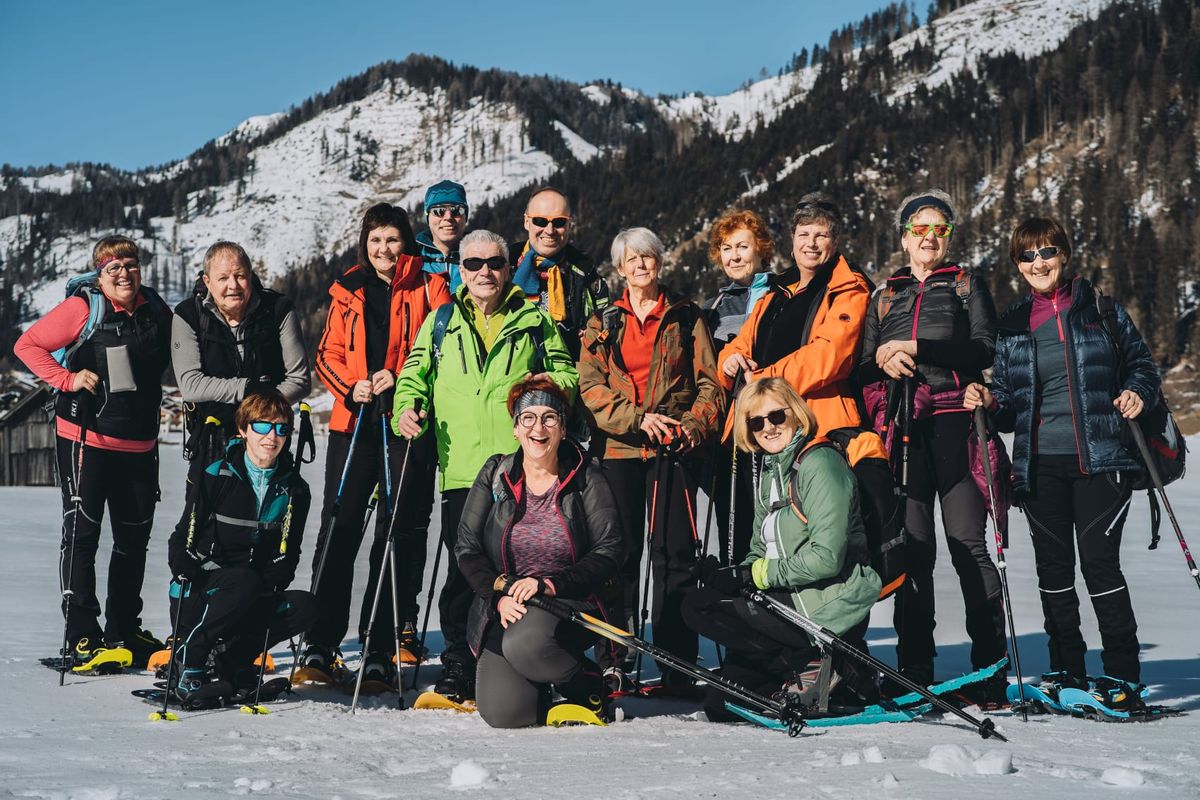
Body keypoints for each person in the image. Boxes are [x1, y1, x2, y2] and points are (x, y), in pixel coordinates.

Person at [964, 217, 1159, 707]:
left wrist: (1137, 391)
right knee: (1054, 572)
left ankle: (1122, 675)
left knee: (1100, 565)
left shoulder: (1102, 311)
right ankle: (1067, 671)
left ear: (1064, 255)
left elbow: (1141, 365)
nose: (1039, 263)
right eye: (1027, 256)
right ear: (1016, 264)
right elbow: (1009, 406)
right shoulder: (1012, 326)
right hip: (1038, 468)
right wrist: (989, 400)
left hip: (1101, 460)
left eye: (1047, 252)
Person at [394, 229, 579, 701]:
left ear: (505, 265)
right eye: (473, 264)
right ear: (461, 269)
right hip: (461, 468)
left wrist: (548, 383)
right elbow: (413, 373)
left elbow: (567, 374)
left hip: (522, 467)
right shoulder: (439, 321)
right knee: (464, 570)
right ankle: (458, 663)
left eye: (493, 263)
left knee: (517, 563)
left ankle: (509, 658)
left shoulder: (535, 321)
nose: (484, 272)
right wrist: (406, 407)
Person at [856, 189, 1007, 699]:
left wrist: (916, 347)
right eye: (919, 229)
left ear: (950, 236)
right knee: (914, 553)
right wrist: (882, 360)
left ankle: (990, 669)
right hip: (903, 432)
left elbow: (984, 347)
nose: (929, 238)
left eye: (939, 228)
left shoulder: (966, 285)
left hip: (956, 427)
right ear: (903, 237)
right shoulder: (885, 294)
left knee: (969, 547)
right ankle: (916, 669)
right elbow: (858, 365)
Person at [304, 203, 449, 683]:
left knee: (398, 531)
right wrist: (352, 385)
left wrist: (401, 374)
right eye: (375, 240)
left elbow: (441, 350)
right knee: (339, 527)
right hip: (355, 422)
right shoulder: (348, 288)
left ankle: (380, 647)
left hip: (406, 423)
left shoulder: (431, 286)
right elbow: (327, 354)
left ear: (406, 242)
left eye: (392, 239)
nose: (384, 249)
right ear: (364, 245)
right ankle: (320, 644)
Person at [14, 235, 172, 669]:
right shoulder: (85, 308)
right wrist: (66, 379)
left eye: (131, 264)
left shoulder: (156, 309)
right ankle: (82, 634)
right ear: (100, 273)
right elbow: (27, 345)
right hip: (86, 440)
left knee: (133, 541)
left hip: (140, 444)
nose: (124, 273)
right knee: (83, 537)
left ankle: (124, 629)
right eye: (113, 267)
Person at [682, 378, 882, 720]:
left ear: (797, 413)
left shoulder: (821, 464)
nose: (768, 428)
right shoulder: (771, 470)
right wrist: (732, 575)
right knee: (722, 705)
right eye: (756, 422)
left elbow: (827, 557)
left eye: (776, 416)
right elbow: (760, 550)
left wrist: (755, 575)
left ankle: (826, 663)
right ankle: (811, 673)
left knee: (697, 606)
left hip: (828, 600)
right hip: (788, 597)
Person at [577, 227, 723, 687]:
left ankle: (676, 663)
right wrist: (638, 419)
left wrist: (692, 427)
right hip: (619, 449)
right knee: (616, 556)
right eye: (632, 259)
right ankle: (613, 659)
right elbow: (591, 389)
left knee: (674, 556)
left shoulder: (685, 317)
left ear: (661, 262)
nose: (641, 266)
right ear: (620, 269)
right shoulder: (603, 320)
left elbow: (709, 383)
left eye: (649, 257)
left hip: (673, 450)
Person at [456, 377, 623, 727]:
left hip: (570, 600)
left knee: (525, 644)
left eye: (550, 418)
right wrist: (499, 593)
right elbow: (467, 548)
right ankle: (545, 686)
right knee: (505, 714)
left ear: (563, 428)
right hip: (508, 604)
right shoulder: (495, 473)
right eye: (528, 418)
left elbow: (610, 550)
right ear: (516, 428)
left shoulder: (586, 476)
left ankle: (587, 686)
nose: (538, 427)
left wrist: (550, 584)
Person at [168, 390, 316, 703]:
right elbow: (181, 537)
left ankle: (232, 661)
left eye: (280, 429)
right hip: (205, 588)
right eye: (262, 427)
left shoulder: (294, 490)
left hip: (250, 592)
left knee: (306, 606)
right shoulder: (217, 475)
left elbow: (291, 552)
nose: (271, 437)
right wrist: (183, 565)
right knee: (243, 581)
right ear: (243, 430)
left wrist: (280, 573)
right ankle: (189, 658)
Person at [172, 240, 310, 464]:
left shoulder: (279, 310)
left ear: (251, 275)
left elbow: (300, 380)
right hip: (210, 440)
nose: (233, 285)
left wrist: (257, 417)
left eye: (240, 276)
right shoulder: (189, 316)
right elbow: (190, 385)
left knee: (273, 499)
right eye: (223, 278)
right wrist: (248, 388)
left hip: (268, 439)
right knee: (207, 499)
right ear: (207, 281)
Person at [704, 209, 773, 565]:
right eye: (726, 248)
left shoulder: (780, 295)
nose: (733, 255)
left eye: (743, 246)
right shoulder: (713, 308)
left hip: (772, 423)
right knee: (732, 513)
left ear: (762, 249)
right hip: (729, 427)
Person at [509, 185, 609, 359]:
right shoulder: (502, 268)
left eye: (559, 222)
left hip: (571, 376)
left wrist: (591, 337)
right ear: (526, 222)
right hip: (513, 375)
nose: (549, 230)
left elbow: (606, 327)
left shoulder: (587, 275)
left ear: (569, 224)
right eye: (540, 221)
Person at [417, 180, 469, 293]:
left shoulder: (482, 255)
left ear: (465, 217)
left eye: (456, 210)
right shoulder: (413, 256)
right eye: (438, 211)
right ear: (428, 217)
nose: (448, 217)